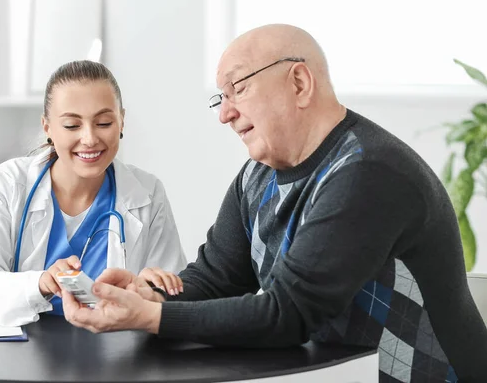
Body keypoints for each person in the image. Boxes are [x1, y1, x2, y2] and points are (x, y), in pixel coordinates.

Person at [60, 26, 487, 382]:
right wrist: (151, 296)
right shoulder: (257, 174)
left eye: (237, 89)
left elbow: (288, 313)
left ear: (299, 83)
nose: (224, 114)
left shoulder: (369, 171)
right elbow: (217, 278)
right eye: (219, 97)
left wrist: (149, 318)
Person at [0, 60, 187, 327]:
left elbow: (171, 294)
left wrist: (154, 293)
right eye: (72, 125)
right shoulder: (4, 185)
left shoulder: (147, 193)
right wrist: (39, 283)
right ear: (48, 128)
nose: (89, 138)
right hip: (23, 353)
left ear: (122, 121)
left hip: (117, 353)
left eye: (104, 122)